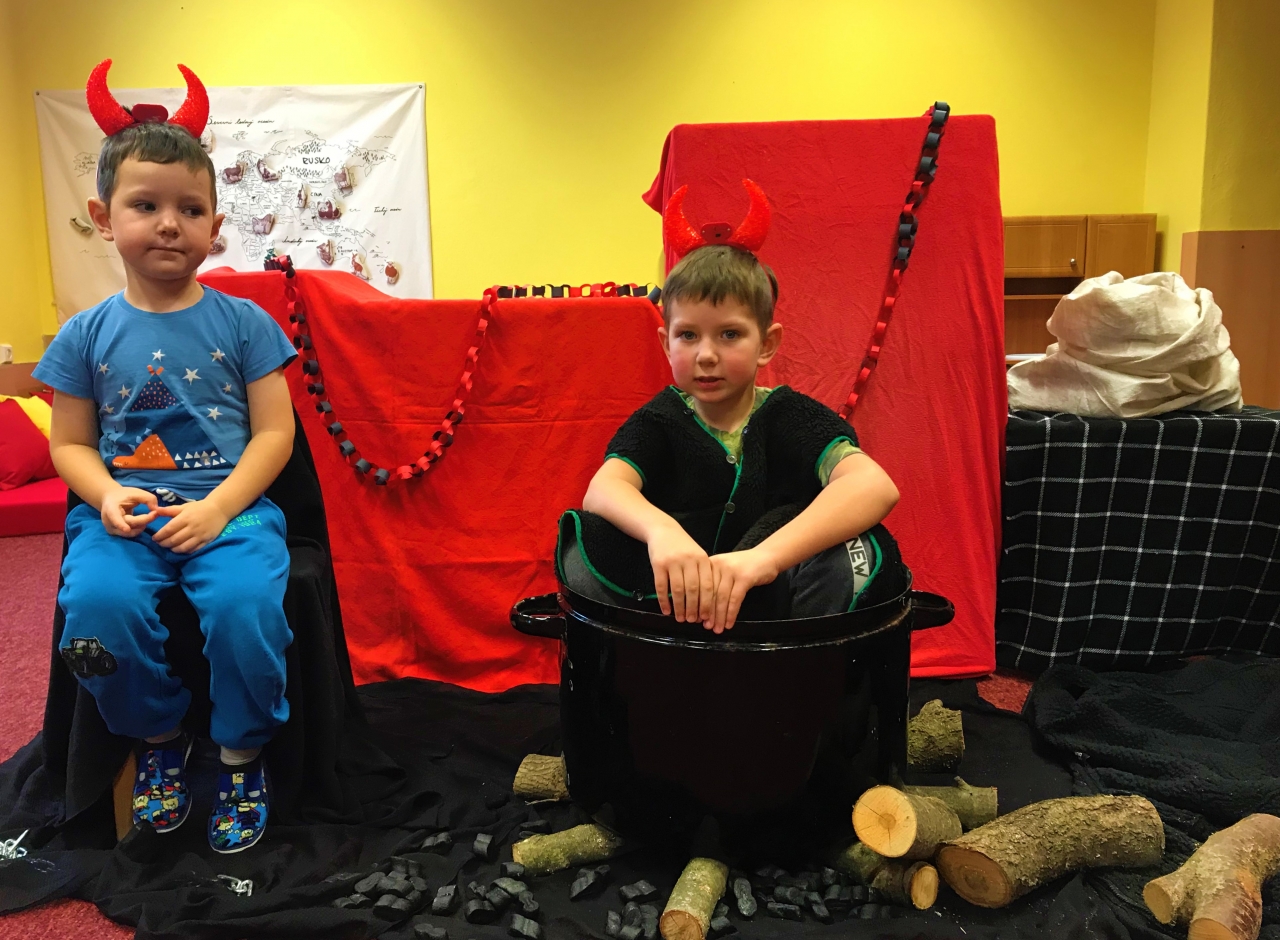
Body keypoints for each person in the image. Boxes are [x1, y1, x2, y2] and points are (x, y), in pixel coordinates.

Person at [33, 61, 296, 854]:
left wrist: (218, 510)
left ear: (216, 224)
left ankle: (242, 754)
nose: (170, 224)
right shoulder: (83, 335)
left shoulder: (245, 324)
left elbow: (275, 435)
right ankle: (158, 738)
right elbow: (69, 443)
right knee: (95, 616)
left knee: (246, 612)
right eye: (146, 205)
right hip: (123, 516)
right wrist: (105, 496)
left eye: (191, 208)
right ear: (103, 217)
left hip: (232, 513)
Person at [559, 183, 905, 632]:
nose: (706, 355)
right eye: (688, 335)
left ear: (767, 344)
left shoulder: (791, 415)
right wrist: (662, 532)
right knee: (581, 549)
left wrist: (765, 558)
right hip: (675, 598)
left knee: (858, 556)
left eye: (729, 335)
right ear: (666, 343)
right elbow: (603, 489)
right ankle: (662, 664)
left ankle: (795, 671)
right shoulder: (659, 419)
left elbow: (874, 487)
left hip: (776, 602)